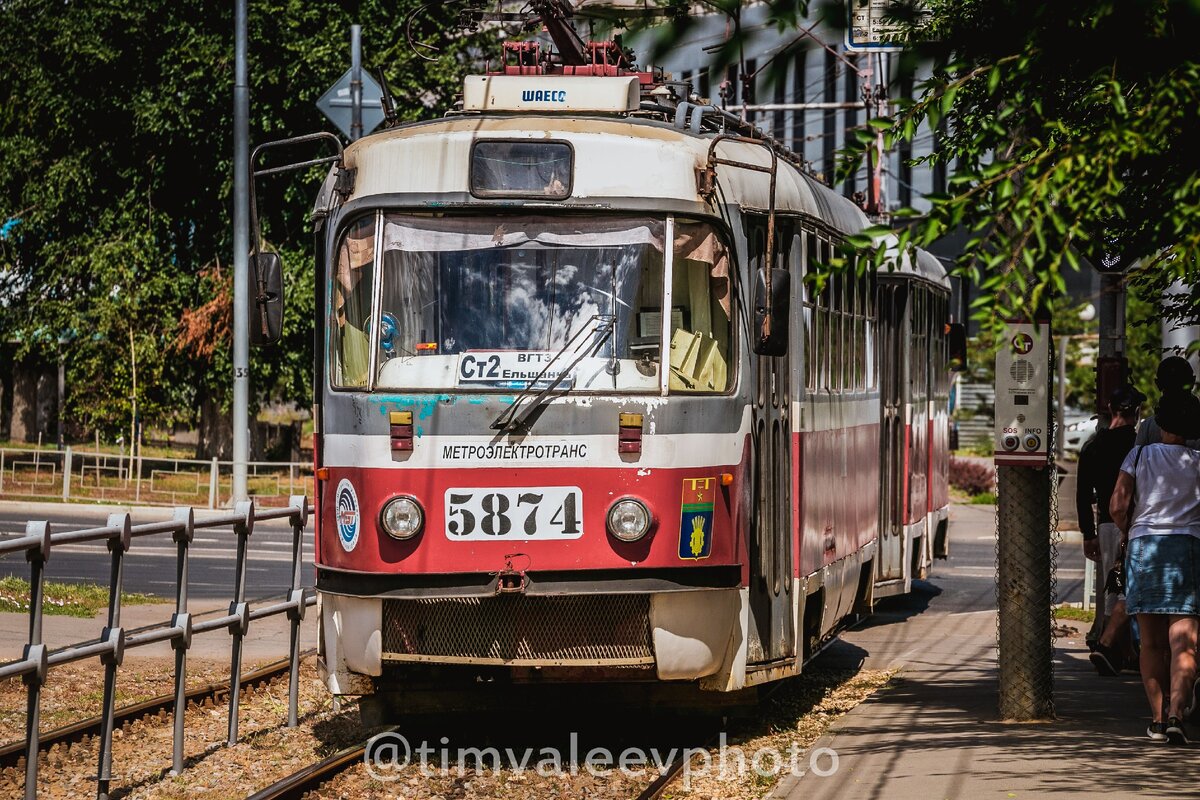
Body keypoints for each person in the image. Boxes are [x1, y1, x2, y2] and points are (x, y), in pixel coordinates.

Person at [1110, 390, 1200, 744]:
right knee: (1185, 643)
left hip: (1144, 547)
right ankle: (1179, 713)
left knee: (1151, 644)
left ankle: (1158, 719)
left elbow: (1118, 504)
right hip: (1188, 549)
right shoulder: (1197, 461)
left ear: (1159, 422)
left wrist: (1127, 531)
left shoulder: (1139, 455)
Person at [1077, 384, 1145, 673]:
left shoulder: (1094, 445)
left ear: (1110, 411)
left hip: (1105, 525)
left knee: (1113, 587)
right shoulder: (1139, 447)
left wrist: (1088, 533)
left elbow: (1082, 494)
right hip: (1134, 522)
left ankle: (1123, 653)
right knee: (1130, 589)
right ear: (1137, 413)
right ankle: (1108, 645)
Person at [1135, 356, 1200, 448]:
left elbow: (1138, 460)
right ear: (1193, 382)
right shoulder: (1196, 423)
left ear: (1158, 384)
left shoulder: (1148, 427)